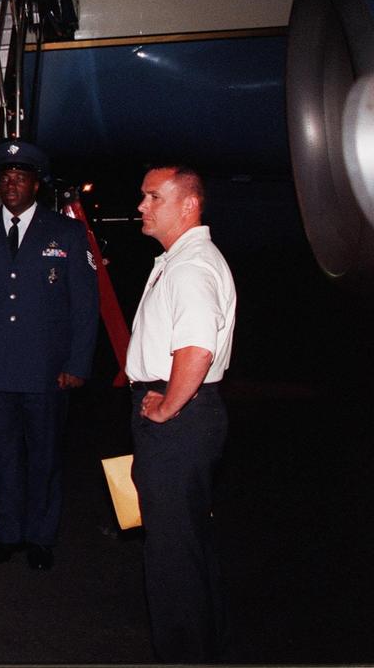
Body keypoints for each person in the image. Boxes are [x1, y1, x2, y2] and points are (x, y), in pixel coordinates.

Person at [0, 141, 98, 571]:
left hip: (47, 370)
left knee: (45, 453)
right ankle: (8, 533)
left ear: (37, 183)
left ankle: (40, 536)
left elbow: (84, 306)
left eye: (20, 176)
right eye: (4, 176)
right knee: (4, 454)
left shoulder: (66, 233)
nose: (10, 183)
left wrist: (77, 364)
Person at [127, 166, 235, 662]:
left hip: (181, 419)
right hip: (189, 416)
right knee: (188, 545)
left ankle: (183, 655)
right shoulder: (182, 258)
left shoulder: (190, 265)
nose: (142, 207)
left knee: (171, 555)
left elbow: (196, 349)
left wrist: (167, 405)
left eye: (153, 197)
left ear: (188, 205)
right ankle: (203, 649)